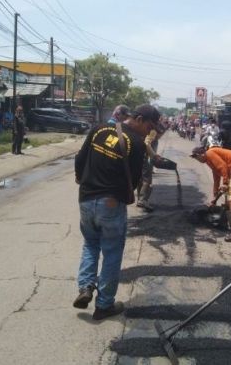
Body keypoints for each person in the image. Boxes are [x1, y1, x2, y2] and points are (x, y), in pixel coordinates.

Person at [73, 104, 161, 320]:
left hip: (86, 198)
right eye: (149, 127)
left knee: (90, 244)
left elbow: (79, 159)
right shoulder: (137, 143)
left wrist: (82, 180)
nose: (149, 132)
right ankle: (104, 305)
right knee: (111, 252)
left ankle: (85, 287)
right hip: (111, 203)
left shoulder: (99, 129)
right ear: (138, 119)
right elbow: (132, 180)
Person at [190, 146, 231, 241]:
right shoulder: (208, 160)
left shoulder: (210, 154)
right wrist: (215, 195)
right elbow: (216, 176)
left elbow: (223, 167)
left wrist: (225, 183)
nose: (197, 160)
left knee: (230, 196)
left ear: (201, 154)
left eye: (197, 157)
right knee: (228, 193)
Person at [137, 126, 165, 212]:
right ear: (159, 132)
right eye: (161, 135)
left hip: (141, 157)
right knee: (147, 179)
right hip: (146, 158)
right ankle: (143, 200)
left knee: (141, 178)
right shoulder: (153, 131)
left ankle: (140, 199)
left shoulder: (149, 130)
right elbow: (147, 143)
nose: (161, 137)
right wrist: (154, 155)